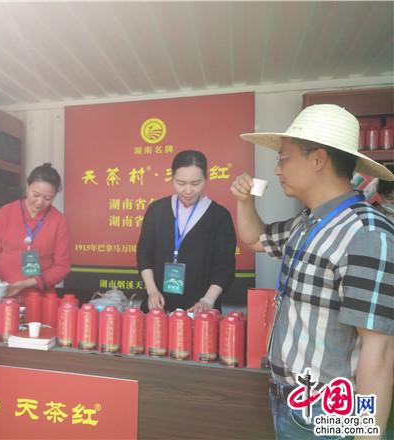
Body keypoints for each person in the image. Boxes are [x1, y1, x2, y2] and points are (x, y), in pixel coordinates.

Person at [230, 104, 394, 439]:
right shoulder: (307, 223)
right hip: (289, 399)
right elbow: (255, 239)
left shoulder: (366, 235)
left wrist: (366, 432)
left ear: (318, 160)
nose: (277, 170)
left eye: (283, 158)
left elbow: (379, 353)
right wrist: (244, 201)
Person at [136, 150, 236, 315]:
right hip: (158, 307)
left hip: (199, 312)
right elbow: (144, 253)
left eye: (195, 183)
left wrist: (207, 300)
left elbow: (225, 266)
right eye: (181, 183)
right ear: (172, 178)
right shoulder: (157, 210)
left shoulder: (219, 216)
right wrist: (152, 291)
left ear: (206, 178)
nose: (188, 190)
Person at [0, 163, 70, 298]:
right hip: (4, 294)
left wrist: (27, 284)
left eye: (48, 198)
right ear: (27, 187)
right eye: (36, 195)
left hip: (40, 298)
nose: (40, 202)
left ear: (55, 196)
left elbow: (62, 267)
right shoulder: (5, 213)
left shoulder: (58, 221)